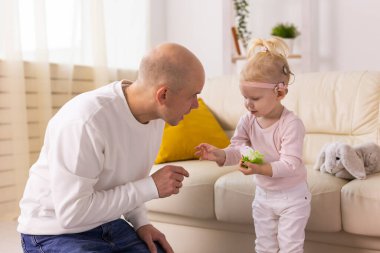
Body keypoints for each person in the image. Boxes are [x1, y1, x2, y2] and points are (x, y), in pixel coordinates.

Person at [18, 43, 205, 253]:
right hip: (53, 232)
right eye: (193, 95)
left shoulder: (156, 116)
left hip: (107, 223)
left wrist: (141, 222)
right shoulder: (85, 122)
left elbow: (126, 179)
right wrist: (151, 186)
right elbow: (72, 214)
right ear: (163, 95)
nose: (196, 105)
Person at [195, 38, 311, 253]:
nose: (248, 104)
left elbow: (291, 164)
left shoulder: (291, 124)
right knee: (264, 246)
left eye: (255, 98)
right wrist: (219, 154)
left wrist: (261, 169)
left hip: (292, 197)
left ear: (280, 93)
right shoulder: (247, 120)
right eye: (245, 97)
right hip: (264, 195)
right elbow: (238, 148)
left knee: (290, 247)